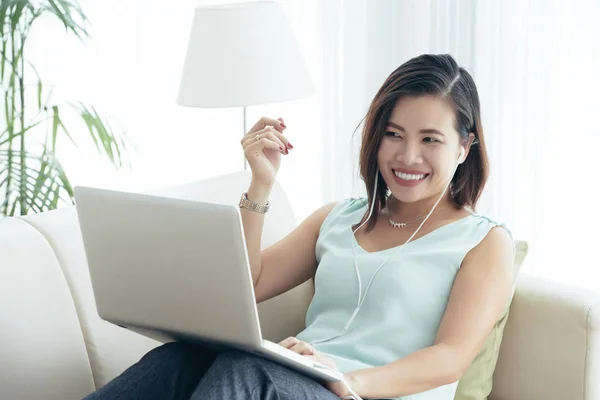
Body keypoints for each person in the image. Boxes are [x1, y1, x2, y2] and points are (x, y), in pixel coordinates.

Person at [83, 54, 515, 400]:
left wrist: (348, 379)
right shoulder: (339, 217)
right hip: (296, 378)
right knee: (178, 360)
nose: (407, 156)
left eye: (430, 140)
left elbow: (451, 357)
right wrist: (261, 183)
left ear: (465, 146)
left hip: (366, 393)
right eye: (394, 134)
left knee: (248, 370)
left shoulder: (484, 241)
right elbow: (247, 285)